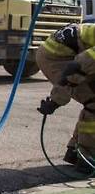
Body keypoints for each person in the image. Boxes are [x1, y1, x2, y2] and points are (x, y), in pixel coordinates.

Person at [36, 23, 95, 173]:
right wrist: (56, 101)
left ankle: (74, 151)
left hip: (71, 53)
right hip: (55, 58)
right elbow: (76, 69)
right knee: (93, 103)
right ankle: (87, 157)